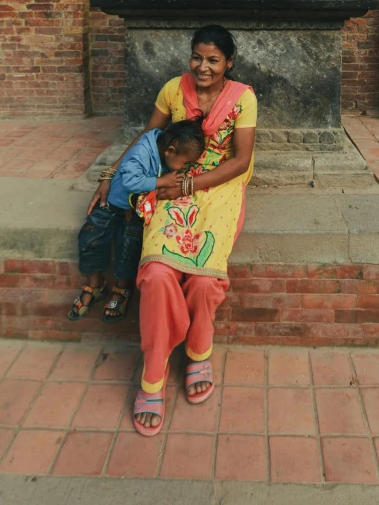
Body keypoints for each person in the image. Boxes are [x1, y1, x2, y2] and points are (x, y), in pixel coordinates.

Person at [89, 24, 257, 436]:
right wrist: (112, 173)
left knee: (203, 277)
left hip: (217, 188)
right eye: (197, 57)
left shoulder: (243, 98)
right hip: (169, 183)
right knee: (159, 272)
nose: (203, 66)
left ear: (228, 63)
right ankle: (154, 370)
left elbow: (239, 160)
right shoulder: (172, 89)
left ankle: (198, 351)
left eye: (213, 60)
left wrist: (190, 185)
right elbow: (150, 137)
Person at [67, 119, 206, 323]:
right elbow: (130, 181)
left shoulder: (166, 149)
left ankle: (122, 287)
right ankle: (95, 283)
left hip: (137, 208)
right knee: (90, 235)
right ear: (170, 151)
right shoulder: (141, 151)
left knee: (131, 244)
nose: (185, 168)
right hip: (113, 205)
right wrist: (161, 181)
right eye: (185, 163)